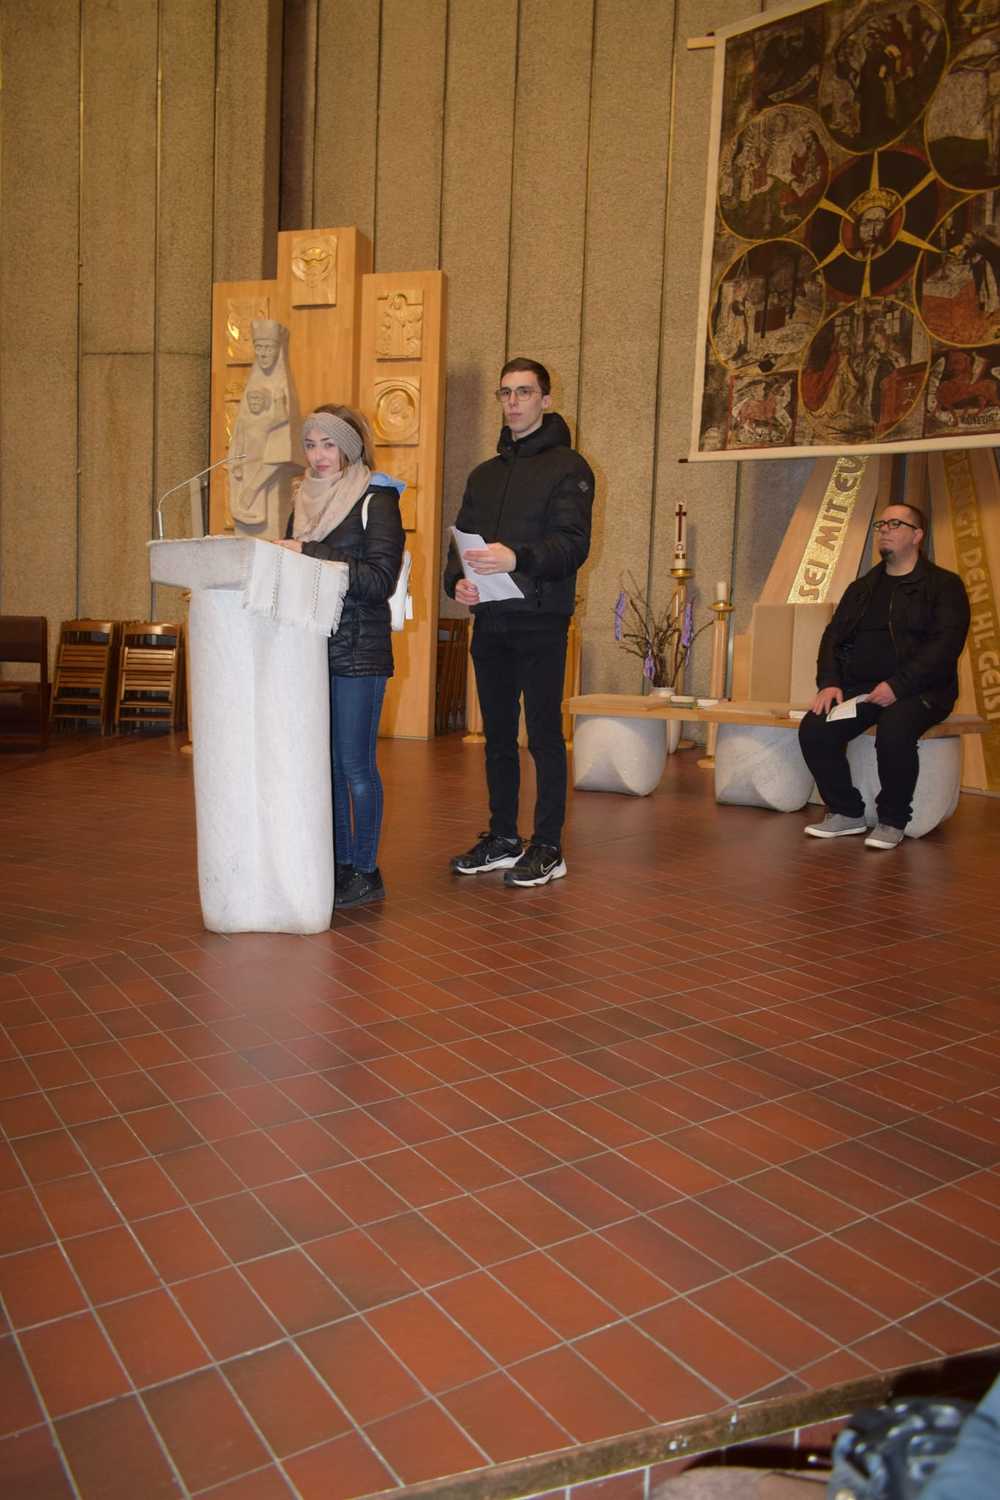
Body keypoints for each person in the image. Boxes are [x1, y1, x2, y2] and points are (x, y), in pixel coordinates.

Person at [444, 358, 594, 887]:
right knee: (498, 737)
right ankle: (504, 837)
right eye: (505, 393)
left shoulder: (569, 467)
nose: (513, 402)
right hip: (490, 620)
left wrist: (518, 557)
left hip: (541, 619)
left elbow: (572, 546)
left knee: (545, 736)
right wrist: (456, 583)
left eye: (524, 392)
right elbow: (459, 546)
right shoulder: (483, 475)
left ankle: (548, 845)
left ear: (545, 400)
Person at [275, 406, 404, 908]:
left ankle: (367, 870)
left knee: (355, 766)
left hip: (359, 650)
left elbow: (378, 580)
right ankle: (339, 864)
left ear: (349, 447)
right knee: (325, 766)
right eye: (310, 445)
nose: (318, 455)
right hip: (311, 648)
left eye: (329, 444)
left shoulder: (377, 498)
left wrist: (308, 552)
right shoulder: (301, 499)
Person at [799, 502, 970, 849]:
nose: (885, 530)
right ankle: (846, 812)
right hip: (863, 688)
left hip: (922, 689)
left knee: (894, 728)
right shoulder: (862, 588)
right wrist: (829, 682)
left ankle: (892, 820)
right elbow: (832, 637)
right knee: (815, 727)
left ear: (917, 536)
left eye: (895, 524)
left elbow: (944, 646)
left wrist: (897, 685)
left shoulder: (943, 585)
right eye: (882, 524)